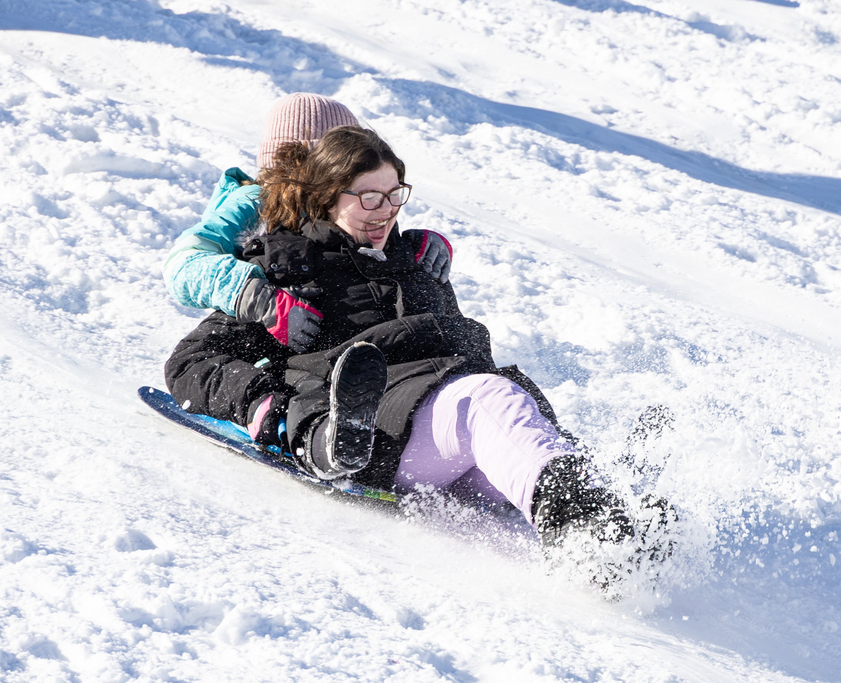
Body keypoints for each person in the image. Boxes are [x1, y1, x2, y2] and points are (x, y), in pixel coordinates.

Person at [164, 124, 636, 550]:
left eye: (394, 195)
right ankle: (586, 536)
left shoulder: (416, 261)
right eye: (368, 197)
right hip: (372, 431)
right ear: (329, 198)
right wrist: (267, 407)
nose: (385, 210)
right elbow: (189, 362)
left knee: (531, 447)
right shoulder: (288, 269)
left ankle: (623, 533)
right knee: (486, 399)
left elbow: (448, 365)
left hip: (439, 443)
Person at [162, 93, 453, 352]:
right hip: (257, 335)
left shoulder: (333, 198)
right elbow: (183, 265)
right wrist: (256, 295)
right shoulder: (255, 201)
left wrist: (416, 248)